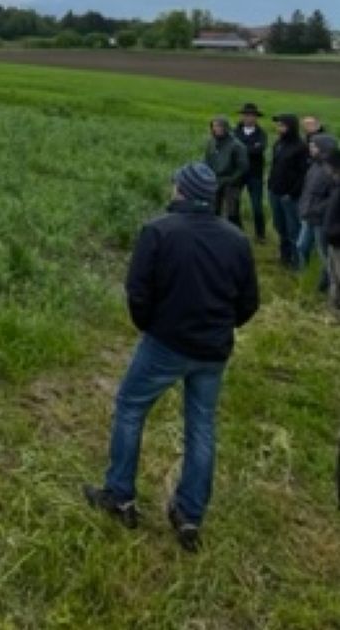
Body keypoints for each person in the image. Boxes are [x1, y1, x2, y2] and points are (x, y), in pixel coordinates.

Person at [84, 163, 258, 552]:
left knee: (130, 408)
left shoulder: (158, 231)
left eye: (176, 184)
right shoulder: (236, 239)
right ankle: (190, 515)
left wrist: (151, 327)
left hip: (166, 344)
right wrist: (219, 328)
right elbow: (249, 302)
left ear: (182, 190)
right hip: (213, 351)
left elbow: (138, 291)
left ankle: (120, 496)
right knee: (201, 426)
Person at [267, 113, 310, 268]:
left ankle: (296, 261)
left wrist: (291, 193)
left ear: (291, 127)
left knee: (293, 229)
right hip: (274, 191)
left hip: (290, 196)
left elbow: (303, 175)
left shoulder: (301, 147)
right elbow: (275, 167)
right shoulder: (278, 144)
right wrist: (270, 185)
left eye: (282, 125)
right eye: (278, 125)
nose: (278, 128)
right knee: (280, 226)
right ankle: (284, 256)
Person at [297, 133, 336, 291]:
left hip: (322, 220)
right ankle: (304, 273)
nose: (310, 149)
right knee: (301, 246)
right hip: (308, 216)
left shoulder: (333, 170)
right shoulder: (314, 166)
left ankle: (327, 283)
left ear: (324, 148)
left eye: (314, 146)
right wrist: (303, 207)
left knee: (324, 254)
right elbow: (307, 190)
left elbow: (333, 198)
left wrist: (317, 209)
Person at [204, 116, 247, 227]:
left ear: (226, 127)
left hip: (231, 182)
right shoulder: (211, 143)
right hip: (214, 181)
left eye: (219, 126)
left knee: (232, 212)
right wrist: (207, 177)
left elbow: (243, 167)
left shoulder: (237, 145)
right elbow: (207, 161)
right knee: (213, 210)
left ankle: (237, 234)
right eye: (214, 126)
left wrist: (231, 179)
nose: (216, 128)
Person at [233, 102, 267, 241]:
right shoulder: (234, 131)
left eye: (251, 115)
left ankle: (260, 235)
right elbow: (233, 150)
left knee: (257, 207)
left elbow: (259, 150)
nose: (248, 118)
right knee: (233, 205)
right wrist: (251, 147)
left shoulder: (261, 133)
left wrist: (242, 148)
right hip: (237, 174)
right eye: (246, 115)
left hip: (255, 175)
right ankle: (237, 232)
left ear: (256, 117)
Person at [322, 149, 340, 319]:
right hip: (332, 240)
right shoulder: (334, 184)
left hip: (337, 240)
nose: (325, 168)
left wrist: (334, 232)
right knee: (333, 276)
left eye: (326, 164)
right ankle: (333, 309)